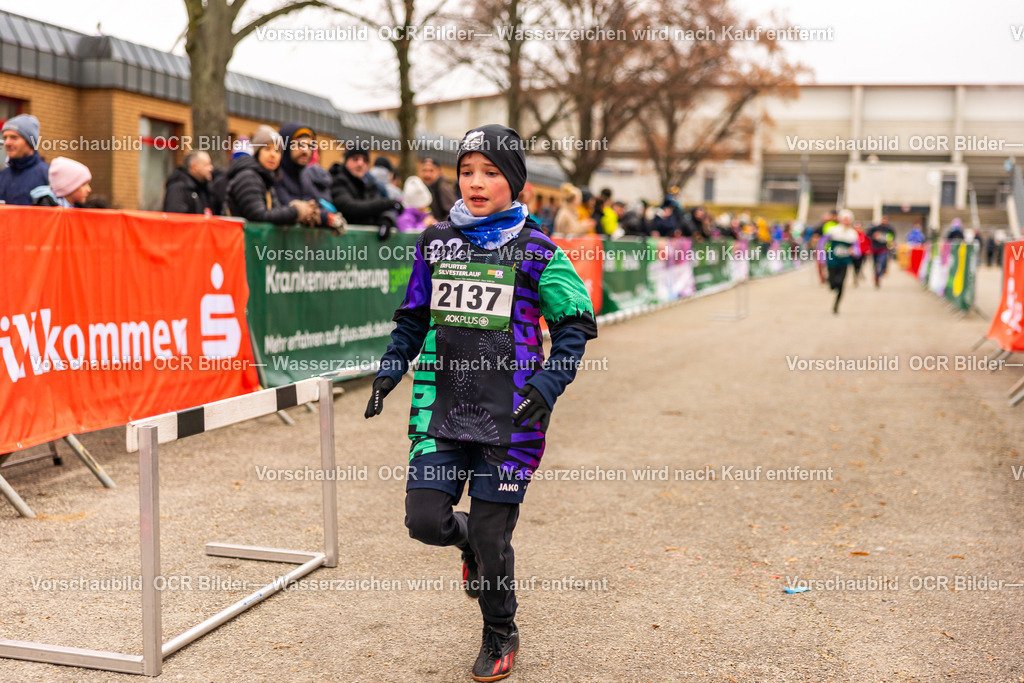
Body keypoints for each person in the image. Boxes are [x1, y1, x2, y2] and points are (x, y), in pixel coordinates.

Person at [364, 124, 597, 682]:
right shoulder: (435, 242)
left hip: (513, 416)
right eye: (467, 171)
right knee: (424, 521)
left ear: (514, 182)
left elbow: (575, 325)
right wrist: (392, 368)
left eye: (491, 172)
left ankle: (499, 631)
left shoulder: (539, 250)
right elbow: (413, 317)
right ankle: (465, 540)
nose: (476, 182)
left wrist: (546, 387)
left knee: (495, 538)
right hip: (441, 407)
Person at [225, 125, 316, 225]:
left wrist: (304, 214)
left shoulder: (267, 179)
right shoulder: (248, 177)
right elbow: (258, 216)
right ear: (257, 152)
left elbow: (275, 214)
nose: (273, 155)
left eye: (277, 150)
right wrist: (296, 211)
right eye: (267, 149)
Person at [329, 141, 401, 227]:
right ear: (346, 161)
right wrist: (387, 204)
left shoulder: (370, 185)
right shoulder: (337, 181)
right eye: (355, 159)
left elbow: (381, 211)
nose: (360, 163)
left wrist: (386, 220)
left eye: (365, 160)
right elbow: (350, 208)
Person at [0, 114, 49, 206]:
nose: (7, 143)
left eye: (14, 137)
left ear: (30, 142)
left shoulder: (47, 175)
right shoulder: (2, 176)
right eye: (5, 137)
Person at [821, 209, 860, 314]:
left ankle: (836, 306)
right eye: (844, 220)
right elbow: (822, 242)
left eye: (848, 220)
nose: (846, 222)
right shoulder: (833, 230)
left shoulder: (853, 234)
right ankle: (832, 284)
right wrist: (821, 256)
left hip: (844, 262)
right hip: (832, 260)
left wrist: (854, 252)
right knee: (833, 283)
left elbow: (857, 250)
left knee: (841, 284)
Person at [162, 150, 216, 215]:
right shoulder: (178, 188)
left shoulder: (204, 189)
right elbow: (176, 219)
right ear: (194, 166)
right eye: (206, 165)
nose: (211, 168)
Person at [419, 155, 457, 221]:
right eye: (424, 170)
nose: (427, 175)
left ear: (439, 171)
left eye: (431, 171)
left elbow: (453, 214)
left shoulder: (443, 187)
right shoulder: (425, 187)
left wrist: (437, 225)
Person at [867, 215, 896, 288]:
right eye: (883, 220)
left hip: (884, 249)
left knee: (882, 262)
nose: (884, 221)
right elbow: (868, 234)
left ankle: (881, 272)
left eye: (885, 220)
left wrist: (891, 242)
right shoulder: (876, 228)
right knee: (876, 265)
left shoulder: (889, 229)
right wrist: (874, 236)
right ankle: (877, 277)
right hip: (875, 248)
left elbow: (893, 237)